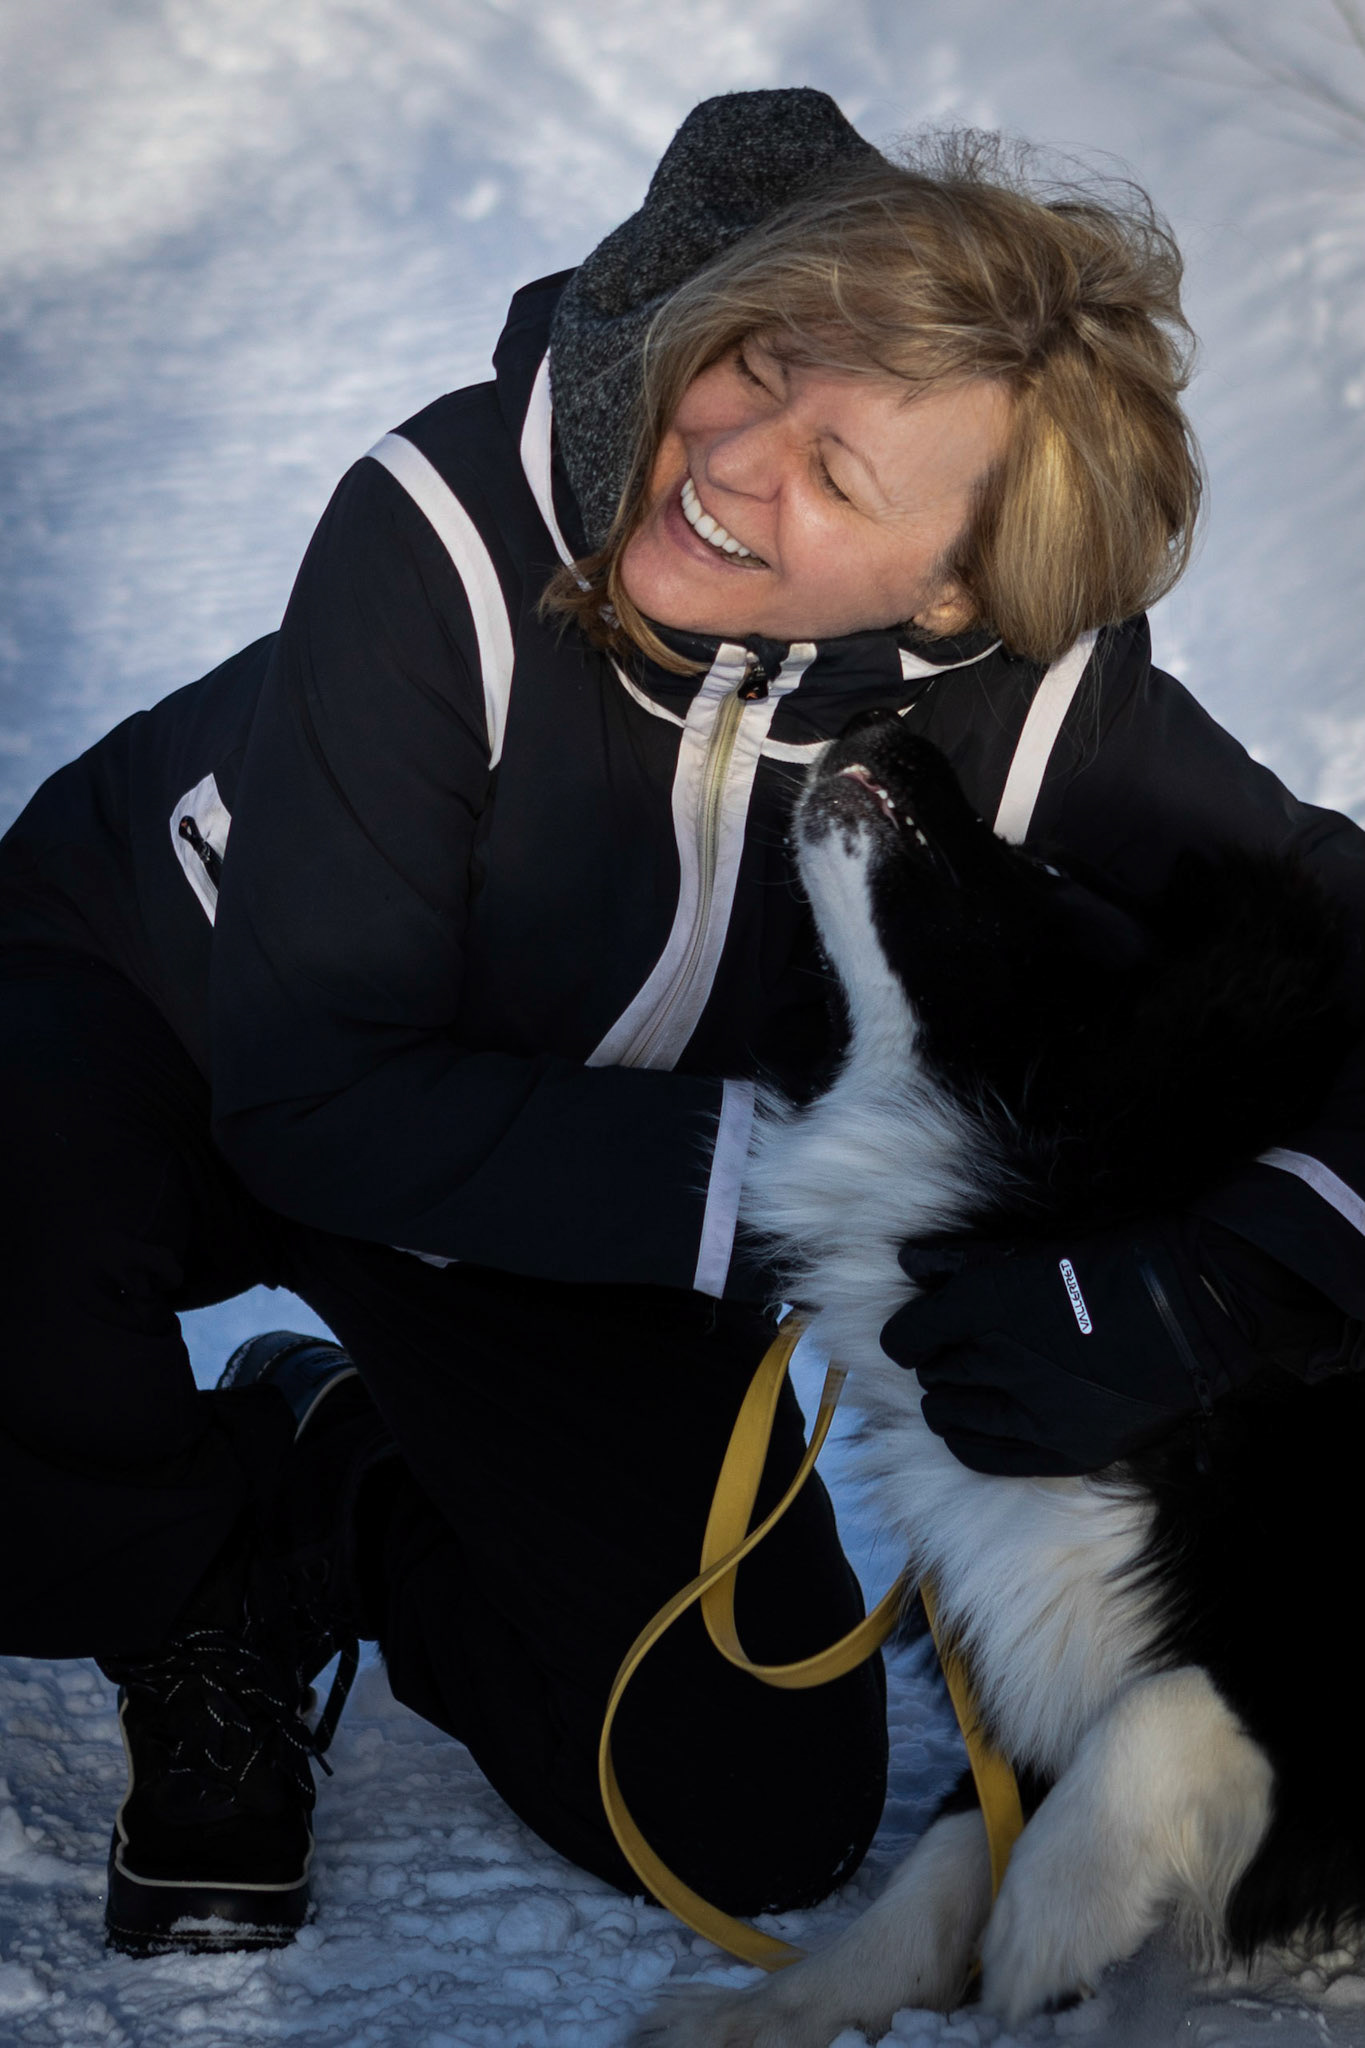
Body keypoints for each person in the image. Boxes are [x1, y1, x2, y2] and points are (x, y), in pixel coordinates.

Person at [2, 87, 1363, 1958]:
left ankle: (338, 1495)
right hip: (171, 1021)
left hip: (558, 1193)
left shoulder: (1025, 698)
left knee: (748, 1817)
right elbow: (312, 1093)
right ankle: (181, 1588)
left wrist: (1238, 1271)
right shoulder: (451, 527)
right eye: (757, 364)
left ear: (953, 586)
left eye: (841, 477)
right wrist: (807, 1191)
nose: (727, 459)